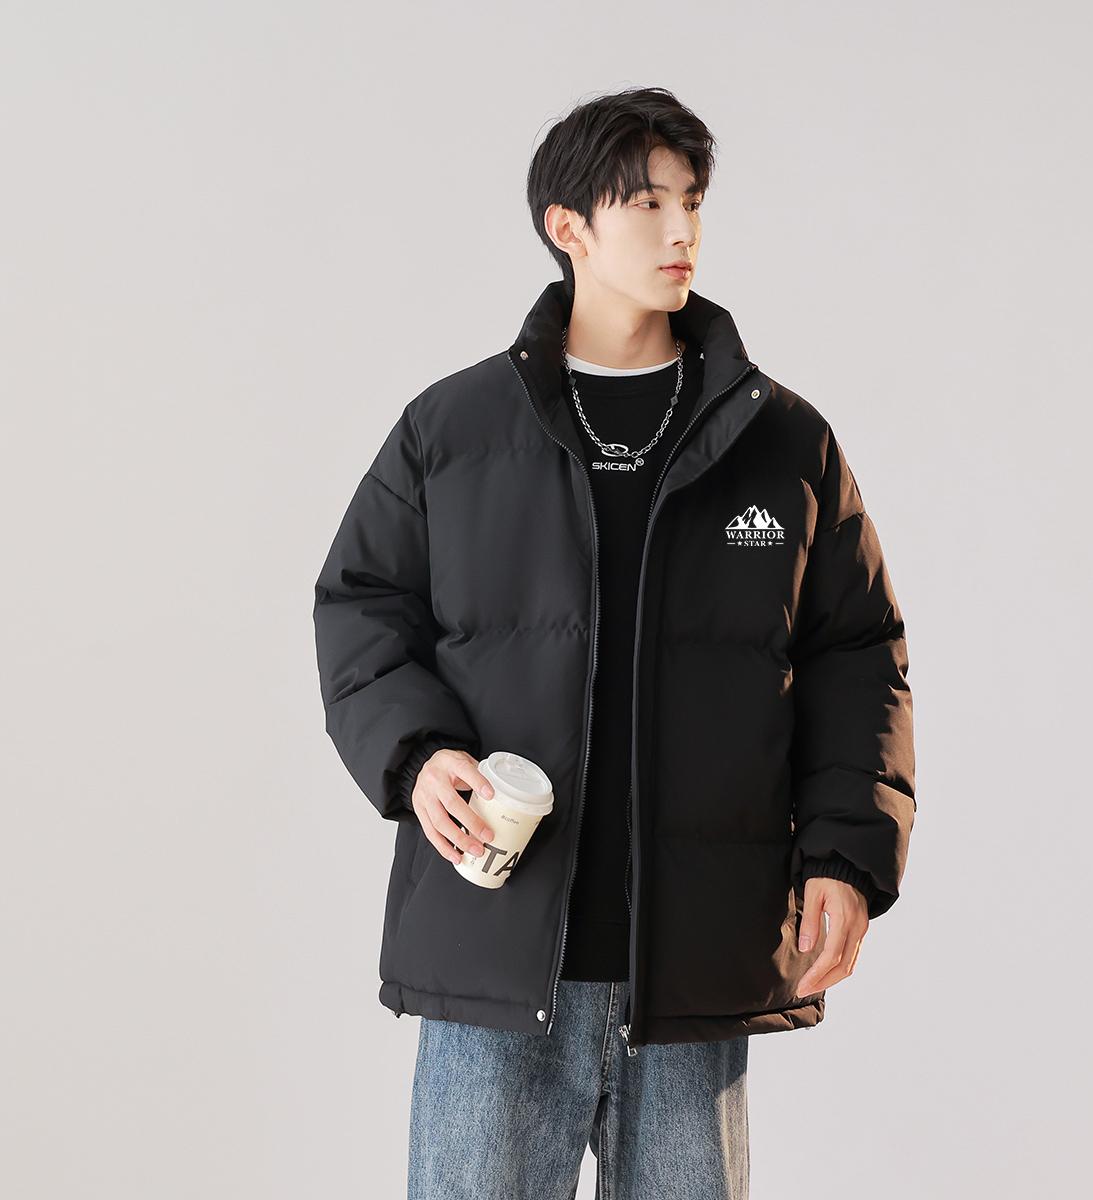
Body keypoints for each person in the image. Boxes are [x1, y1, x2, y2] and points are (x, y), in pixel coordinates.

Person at [313, 85, 916, 1200]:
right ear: (569, 228)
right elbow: (361, 607)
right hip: (496, 955)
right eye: (647, 203)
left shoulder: (781, 440)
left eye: (693, 202)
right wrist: (417, 755)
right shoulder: (454, 429)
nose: (682, 229)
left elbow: (858, 654)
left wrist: (845, 854)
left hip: (693, 971)